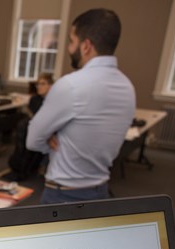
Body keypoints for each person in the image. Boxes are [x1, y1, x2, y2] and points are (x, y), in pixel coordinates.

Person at [27, 8, 136, 204]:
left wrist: (51, 139)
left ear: (86, 46)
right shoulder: (127, 87)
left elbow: (33, 140)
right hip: (100, 191)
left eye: (71, 41)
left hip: (63, 194)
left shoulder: (71, 85)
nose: (69, 48)